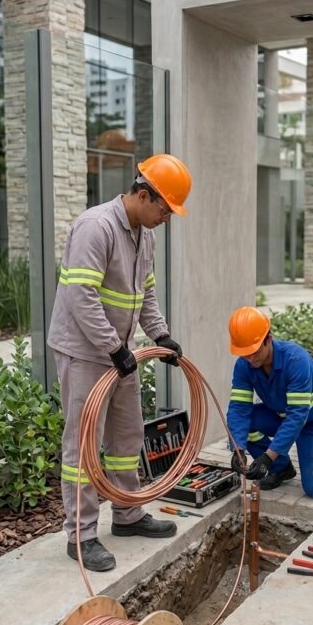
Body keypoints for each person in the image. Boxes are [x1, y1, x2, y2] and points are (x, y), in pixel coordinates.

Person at [48, 154, 192, 571]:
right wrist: (114, 348)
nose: (167, 217)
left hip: (120, 353)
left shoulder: (143, 235)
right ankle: (82, 534)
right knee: (83, 445)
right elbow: (81, 297)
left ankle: (127, 515)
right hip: (85, 352)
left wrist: (160, 335)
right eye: (165, 209)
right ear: (144, 195)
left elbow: (145, 294)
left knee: (127, 439)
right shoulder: (97, 227)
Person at [226, 307, 313, 499]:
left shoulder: (296, 360)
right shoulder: (244, 365)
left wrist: (267, 457)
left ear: (268, 339)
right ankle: (281, 469)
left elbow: (297, 416)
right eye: (245, 353)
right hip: (280, 416)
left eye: (254, 351)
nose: (250, 358)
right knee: (244, 424)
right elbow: (239, 410)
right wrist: (238, 449)